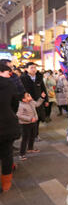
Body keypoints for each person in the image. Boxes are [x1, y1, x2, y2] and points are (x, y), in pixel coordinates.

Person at [0, 63, 20, 193]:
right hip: (7, 125)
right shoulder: (10, 84)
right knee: (7, 154)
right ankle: (6, 183)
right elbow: (15, 104)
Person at [21, 62, 48, 141]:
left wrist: (46, 100)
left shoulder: (39, 77)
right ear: (26, 69)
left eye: (35, 67)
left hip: (39, 101)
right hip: (28, 102)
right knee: (29, 119)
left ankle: (36, 135)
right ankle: (29, 136)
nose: (34, 69)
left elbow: (43, 89)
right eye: (31, 67)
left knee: (38, 118)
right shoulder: (23, 78)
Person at [17, 92, 46, 161]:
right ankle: (21, 154)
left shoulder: (31, 102)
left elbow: (37, 104)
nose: (30, 96)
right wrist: (29, 119)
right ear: (24, 99)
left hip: (33, 122)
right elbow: (19, 115)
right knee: (25, 138)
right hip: (25, 124)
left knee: (33, 135)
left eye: (29, 94)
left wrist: (41, 98)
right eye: (28, 96)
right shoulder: (21, 105)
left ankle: (30, 148)